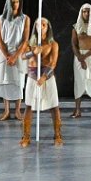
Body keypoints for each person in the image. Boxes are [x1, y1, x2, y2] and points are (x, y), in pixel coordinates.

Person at [21, 17, 62, 147]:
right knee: (29, 106)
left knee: (54, 106)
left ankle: (58, 135)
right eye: (38, 25)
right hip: (33, 76)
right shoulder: (30, 43)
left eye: (43, 25)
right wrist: (32, 52)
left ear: (48, 27)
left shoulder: (53, 44)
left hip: (47, 77)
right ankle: (26, 136)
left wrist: (44, 77)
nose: (41, 27)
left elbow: (53, 63)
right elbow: (22, 56)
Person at [0, 0, 30, 121]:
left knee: (19, 82)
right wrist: (7, 55)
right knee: (5, 82)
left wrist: (15, 56)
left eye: (17, 2)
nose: (16, 4)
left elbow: (25, 39)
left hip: (18, 53)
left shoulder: (25, 19)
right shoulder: (1, 19)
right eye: (13, 2)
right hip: (4, 54)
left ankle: (18, 111)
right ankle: (6, 111)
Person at [70, 3, 91, 119]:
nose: (86, 14)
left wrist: (86, 56)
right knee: (78, 81)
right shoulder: (76, 27)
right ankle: (77, 110)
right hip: (79, 56)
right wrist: (80, 56)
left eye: (88, 11)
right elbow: (73, 44)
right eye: (84, 11)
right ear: (81, 13)